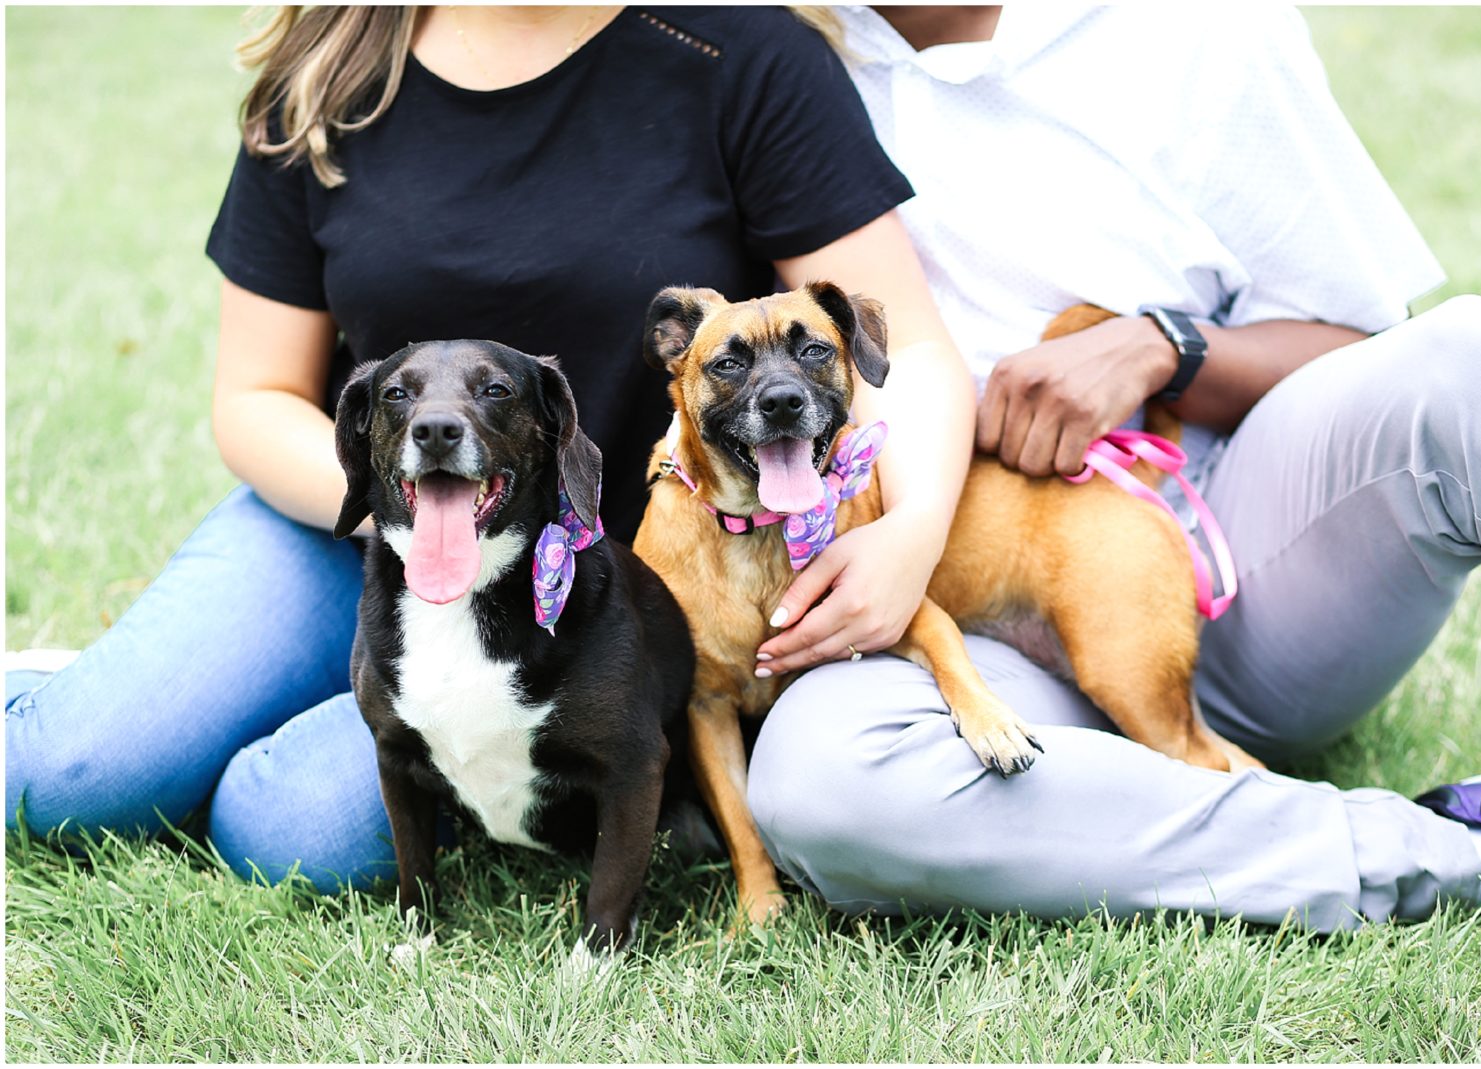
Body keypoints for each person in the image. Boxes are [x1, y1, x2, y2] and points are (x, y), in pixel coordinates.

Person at [5, 4, 978, 892]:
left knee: (291, 825)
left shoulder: (742, 53)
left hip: (578, 596)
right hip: (345, 523)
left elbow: (918, 350)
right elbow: (256, 395)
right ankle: (124, 693)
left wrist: (916, 530)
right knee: (77, 768)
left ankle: (246, 718)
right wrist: (427, 528)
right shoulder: (327, 72)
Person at [747, 5, 1481, 929]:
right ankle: (1471, 844)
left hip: (1240, 563)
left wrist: (1166, 348)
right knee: (817, 774)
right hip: (975, 637)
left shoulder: (1195, 26)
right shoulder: (766, 60)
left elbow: (1357, 341)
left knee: (1469, 362)